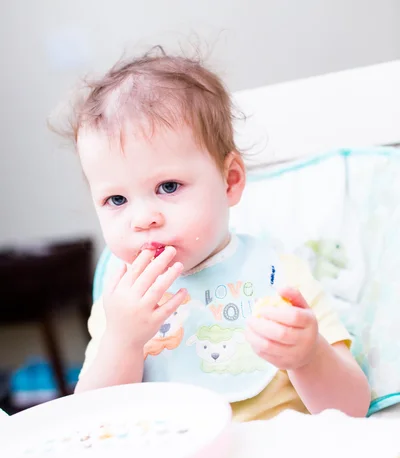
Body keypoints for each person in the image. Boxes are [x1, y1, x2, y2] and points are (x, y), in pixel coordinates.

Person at [65, 48, 369, 420]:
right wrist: (122, 342)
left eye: (169, 186)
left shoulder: (279, 278)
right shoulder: (121, 302)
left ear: (230, 181)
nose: (143, 219)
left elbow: (353, 410)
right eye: (116, 199)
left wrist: (309, 357)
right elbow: (91, 422)